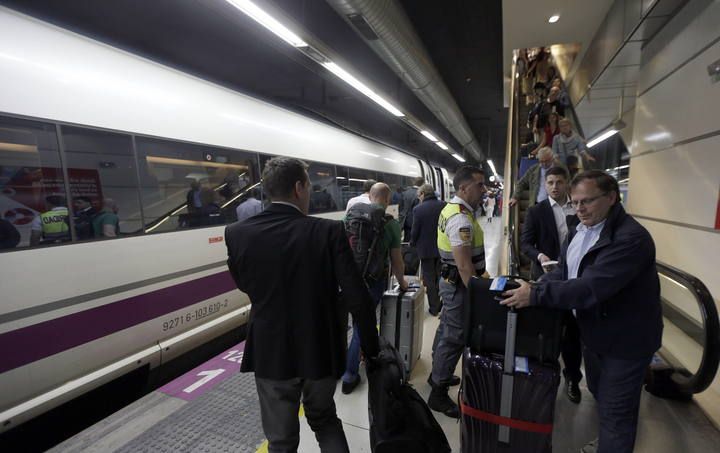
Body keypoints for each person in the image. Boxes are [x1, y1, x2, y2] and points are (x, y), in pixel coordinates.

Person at [225, 157, 379, 453]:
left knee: (280, 441)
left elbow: (245, 284)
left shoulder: (237, 233)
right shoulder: (328, 231)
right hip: (319, 348)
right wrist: (371, 350)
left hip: (271, 352)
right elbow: (357, 296)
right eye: (309, 186)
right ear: (298, 187)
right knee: (324, 420)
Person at [501, 170, 663, 453]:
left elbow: (590, 287)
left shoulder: (631, 239)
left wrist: (536, 294)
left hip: (625, 343)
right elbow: (564, 272)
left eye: (587, 201)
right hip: (595, 334)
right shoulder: (579, 230)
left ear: (612, 197)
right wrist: (534, 283)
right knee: (604, 399)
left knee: (616, 414)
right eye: (575, 202)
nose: (579, 209)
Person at [519, 166, 583, 403]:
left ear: (567, 183)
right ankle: (542, 378)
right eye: (550, 182)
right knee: (545, 331)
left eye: (559, 182)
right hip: (546, 277)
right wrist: (540, 257)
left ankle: (572, 379)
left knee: (573, 333)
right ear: (545, 185)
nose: (555, 186)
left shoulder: (579, 208)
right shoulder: (537, 211)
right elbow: (526, 243)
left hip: (574, 280)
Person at [428, 166, 487, 418]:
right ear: (464, 188)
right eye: (480, 185)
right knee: (454, 336)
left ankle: (436, 374)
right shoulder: (460, 218)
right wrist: (480, 295)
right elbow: (464, 265)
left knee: (445, 330)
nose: (484, 190)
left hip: (449, 282)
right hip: (458, 286)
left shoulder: (452, 208)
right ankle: (438, 394)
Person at [342, 182, 407, 394]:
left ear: (370, 196)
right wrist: (403, 283)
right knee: (362, 326)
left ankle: (341, 365)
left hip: (348, 280)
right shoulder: (390, 223)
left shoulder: (351, 217)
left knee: (348, 324)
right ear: (388, 200)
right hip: (373, 282)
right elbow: (396, 261)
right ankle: (350, 375)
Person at [410, 183, 446, 316]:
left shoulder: (418, 209)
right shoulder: (444, 205)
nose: (419, 198)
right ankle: (442, 302)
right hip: (442, 248)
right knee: (441, 276)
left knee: (429, 279)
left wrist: (412, 243)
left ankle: (434, 307)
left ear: (423, 194)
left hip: (426, 251)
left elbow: (415, 231)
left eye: (419, 195)